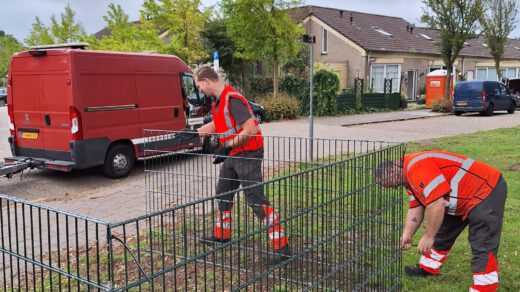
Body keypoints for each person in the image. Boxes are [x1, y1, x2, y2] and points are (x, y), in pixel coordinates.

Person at [193, 66, 291, 265]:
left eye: (199, 86)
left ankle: (282, 248)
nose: (200, 90)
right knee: (223, 192)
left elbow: (250, 128)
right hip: (233, 154)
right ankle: (222, 235)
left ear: (206, 81)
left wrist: (227, 146)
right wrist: (199, 131)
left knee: (255, 198)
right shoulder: (218, 102)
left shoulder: (233, 99)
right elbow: (222, 124)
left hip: (248, 154)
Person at [375, 150, 507, 292]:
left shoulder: (416, 167)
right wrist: (407, 234)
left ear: (393, 169)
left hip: (486, 189)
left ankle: (485, 288)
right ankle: (428, 267)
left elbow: (436, 204)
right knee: (443, 231)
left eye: (391, 184)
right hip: (459, 196)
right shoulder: (406, 176)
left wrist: (427, 237)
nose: (394, 188)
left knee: (482, 240)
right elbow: (416, 207)